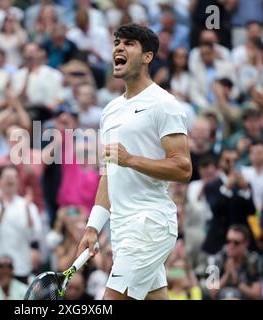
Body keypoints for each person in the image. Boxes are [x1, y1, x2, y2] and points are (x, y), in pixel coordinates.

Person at [77, 23, 192, 300]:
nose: (119, 47)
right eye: (117, 42)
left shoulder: (164, 104)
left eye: (129, 43)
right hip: (123, 227)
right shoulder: (110, 110)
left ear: (147, 56)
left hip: (149, 224)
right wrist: (93, 226)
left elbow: (183, 167)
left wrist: (131, 160)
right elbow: (109, 173)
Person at [0, 164, 42, 282]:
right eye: (6, 176)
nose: (10, 179)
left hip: (20, 265)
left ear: (18, 181)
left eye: (14, 177)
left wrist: (27, 212)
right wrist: (1, 211)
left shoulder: (28, 206)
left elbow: (34, 236)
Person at [207, 224, 263, 300]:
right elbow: (211, 293)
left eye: (236, 243)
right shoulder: (218, 258)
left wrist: (237, 282)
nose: (231, 245)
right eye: (228, 241)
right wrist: (227, 275)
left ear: (246, 243)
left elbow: (257, 295)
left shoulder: (253, 261)